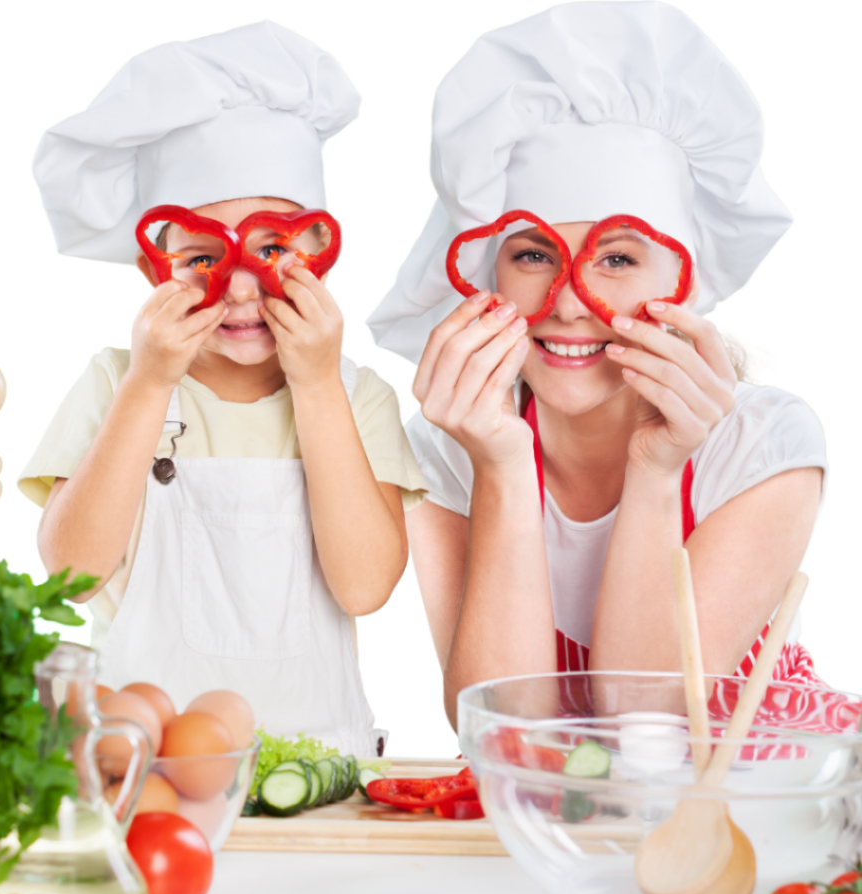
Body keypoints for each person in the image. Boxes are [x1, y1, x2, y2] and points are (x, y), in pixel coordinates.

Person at [368, 2, 860, 735]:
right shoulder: (448, 450)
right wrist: (504, 467)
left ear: (684, 283)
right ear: (485, 277)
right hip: (563, 827)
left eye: (619, 259)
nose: (569, 302)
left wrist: (658, 471)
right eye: (532, 254)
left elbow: (646, 722)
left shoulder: (763, 444)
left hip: (755, 810)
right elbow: (508, 734)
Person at [20, 22, 426, 757]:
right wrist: (150, 384)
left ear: (318, 252)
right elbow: (71, 578)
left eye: (271, 249)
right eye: (201, 258)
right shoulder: (116, 382)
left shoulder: (358, 397)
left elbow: (365, 587)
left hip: (321, 762)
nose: (240, 287)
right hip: (142, 765)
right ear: (156, 271)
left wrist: (315, 383)